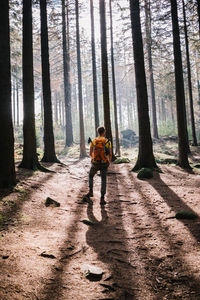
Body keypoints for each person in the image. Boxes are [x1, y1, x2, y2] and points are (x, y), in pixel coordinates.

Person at [86, 126, 112, 205]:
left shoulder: (94, 141)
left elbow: (90, 153)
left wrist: (94, 159)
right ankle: (102, 198)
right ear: (104, 132)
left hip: (95, 163)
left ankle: (90, 191)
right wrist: (108, 162)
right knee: (103, 180)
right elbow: (110, 154)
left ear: (98, 132)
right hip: (104, 163)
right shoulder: (107, 141)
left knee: (91, 176)